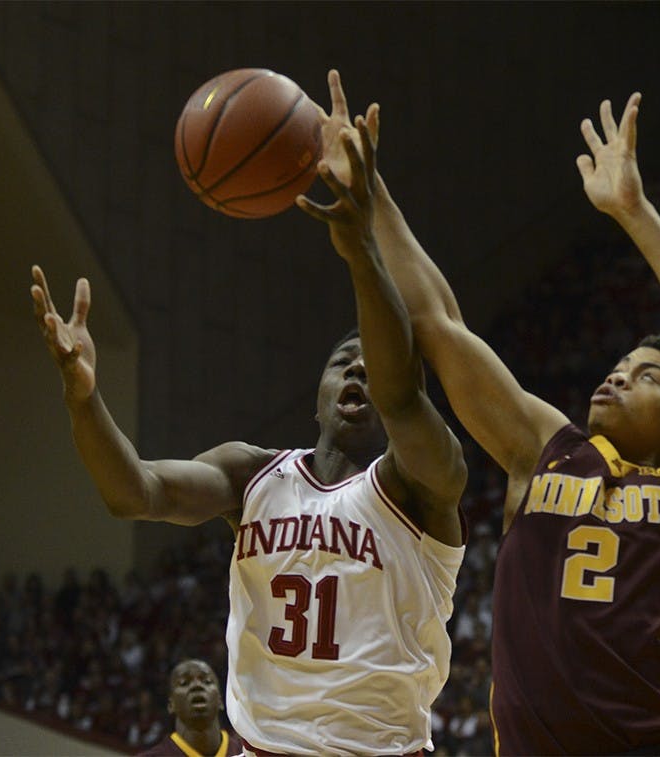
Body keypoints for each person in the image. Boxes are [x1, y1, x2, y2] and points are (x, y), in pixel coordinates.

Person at [313, 73, 660, 754]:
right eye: (620, 364)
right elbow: (436, 322)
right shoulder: (545, 446)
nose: (619, 373)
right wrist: (373, 196)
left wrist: (634, 213)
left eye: (648, 376)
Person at [30, 74, 467, 754]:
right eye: (339, 361)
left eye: (369, 358)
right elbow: (133, 492)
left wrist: (361, 248)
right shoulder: (252, 474)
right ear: (316, 390)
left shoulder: (423, 486)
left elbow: (402, 393)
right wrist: (84, 399)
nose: (357, 368)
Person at [138, 659, 243, 757]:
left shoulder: (250, 753)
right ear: (171, 705)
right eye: (184, 683)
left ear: (220, 700)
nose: (197, 685)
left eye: (207, 681)